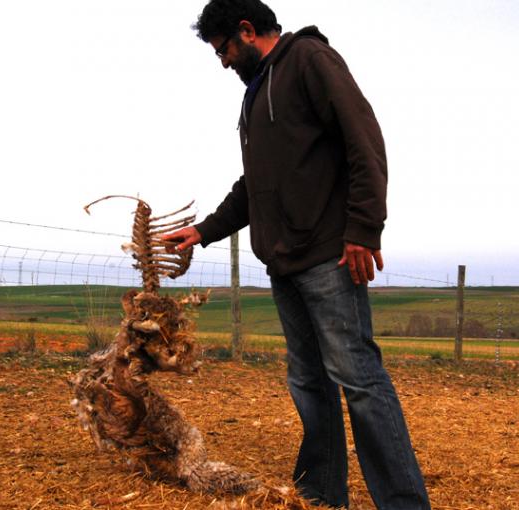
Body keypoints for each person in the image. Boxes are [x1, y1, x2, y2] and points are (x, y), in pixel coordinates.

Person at [162, 1, 431, 508]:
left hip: (329, 255)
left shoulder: (310, 59)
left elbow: (364, 141)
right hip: (284, 263)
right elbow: (254, 185)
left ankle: (403, 503)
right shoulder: (255, 95)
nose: (221, 61)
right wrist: (203, 231)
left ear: (246, 31)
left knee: (360, 380)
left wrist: (364, 229)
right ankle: (322, 496)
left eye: (222, 50)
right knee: (309, 383)